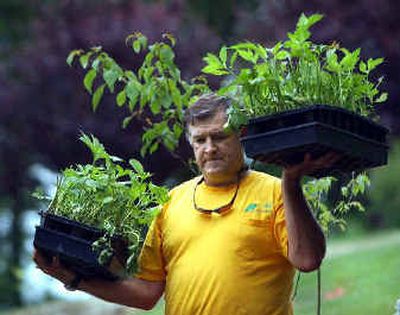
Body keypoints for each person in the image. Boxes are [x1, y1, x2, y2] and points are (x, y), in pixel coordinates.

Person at [33, 93, 337, 315]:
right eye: (200, 140)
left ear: (240, 136)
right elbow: (147, 293)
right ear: (191, 144)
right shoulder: (172, 202)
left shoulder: (274, 191)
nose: (210, 148)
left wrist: (291, 183)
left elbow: (308, 259)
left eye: (219, 137)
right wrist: (73, 279)